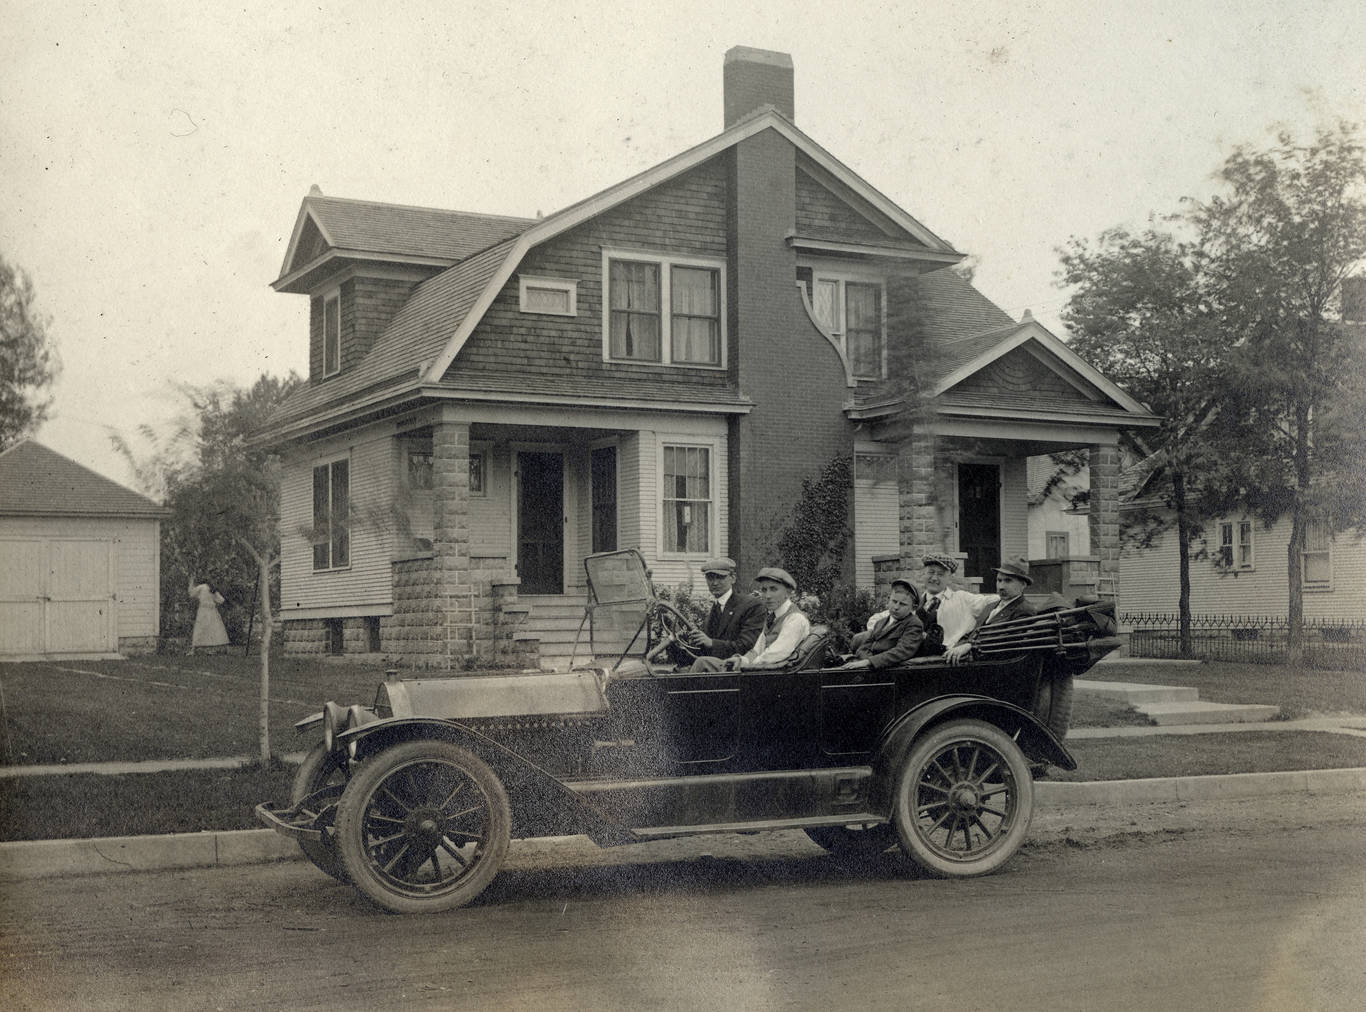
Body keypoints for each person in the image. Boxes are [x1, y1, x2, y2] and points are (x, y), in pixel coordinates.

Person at [692, 567, 811, 671]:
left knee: (703, 663)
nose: (768, 596)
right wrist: (740, 659)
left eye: (773, 589)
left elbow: (776, 654)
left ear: (788, 593)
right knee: (702, 663)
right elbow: (756, 651)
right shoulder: (773, 617)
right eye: (764, 590)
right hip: (761, 671)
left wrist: (743, 665)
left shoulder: (795, 619)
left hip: (772, 677)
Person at [946, 556, 1037, 665]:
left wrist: (970, 646)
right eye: (999, 580)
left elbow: (1004, 640)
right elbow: (972, 633)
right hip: (972, 661)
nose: (1001, 586)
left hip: (995, 666)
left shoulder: (1025, 610)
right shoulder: (991, 606)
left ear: (1023, 584)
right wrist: (957, 647)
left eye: (1008, 581)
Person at [678, 557, 766, 665]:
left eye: (720, 578)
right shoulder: (715, 608)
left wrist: (712, 643)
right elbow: (703, 652)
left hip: (737, 670)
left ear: (733, 578)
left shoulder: (751, 606)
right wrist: (677, 643)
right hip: (717, 670)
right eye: (710, 578)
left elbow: (747, 646)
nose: (714, 583)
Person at [917, 553, 998, 656]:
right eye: (930, 572)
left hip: (948, 659)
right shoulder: (914, 602)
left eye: (940, 574)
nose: (934, 578)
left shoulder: (962, 599)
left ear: (949, 577)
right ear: (923, 574)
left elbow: (994, 600)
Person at [841, 578, 924, 670]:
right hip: (873, 669)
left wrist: (869, 662)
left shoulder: (913, 624)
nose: (896, 607)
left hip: (890, 672)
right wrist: (866, 661)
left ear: (913, 607)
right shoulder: (881, 622)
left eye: (903, 604)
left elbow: (902, 651)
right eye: (894, 601)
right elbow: (863, 647)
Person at [188, 579, 229, 654]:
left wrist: (191, 582)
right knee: (214, 630)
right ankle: (214, 648)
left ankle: (196, 649)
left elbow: (191, 593)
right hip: (212, 611)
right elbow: (221, 600)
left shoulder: (202, 587)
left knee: (201, 629)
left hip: (203, 611)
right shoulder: (212, 589)